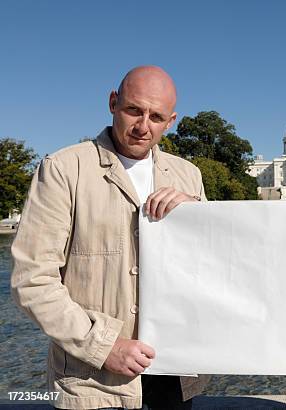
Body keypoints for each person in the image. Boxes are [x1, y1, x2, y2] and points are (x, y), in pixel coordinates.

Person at [11, 66, 210, 409]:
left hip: (176, 373)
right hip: (95, 380)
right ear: (113, 102)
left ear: (171, 121)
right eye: (134, 110)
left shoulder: (188, 175)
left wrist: (199, 216)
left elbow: (218, 265)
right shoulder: (63, 169)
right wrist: (104, 346)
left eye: (156, 116)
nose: (143, 126)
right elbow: (31, 280)